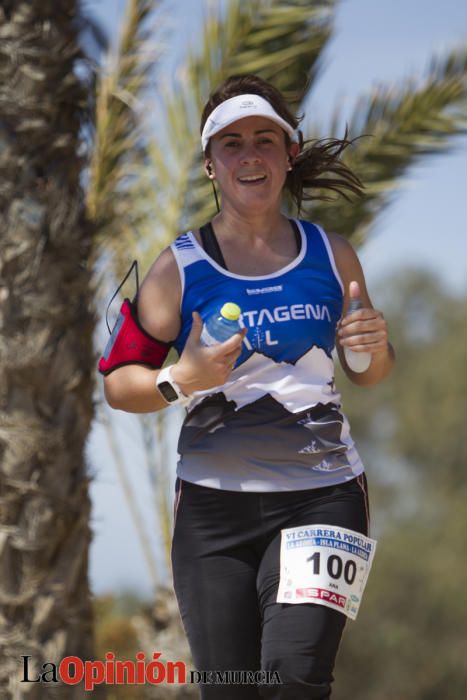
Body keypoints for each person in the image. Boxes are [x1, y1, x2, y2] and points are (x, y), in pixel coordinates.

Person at [102, 74, 395, 699]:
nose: (250, 154)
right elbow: (119, 385)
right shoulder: (178, 267)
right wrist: (182, 379)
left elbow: (369, 372)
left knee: (295, 679)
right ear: (210, 164)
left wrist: (372, 349)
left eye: (265, 138)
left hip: (325, 496)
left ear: (289, 153)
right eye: (231, 143)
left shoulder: (333, 254)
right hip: (212, 510)